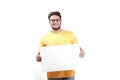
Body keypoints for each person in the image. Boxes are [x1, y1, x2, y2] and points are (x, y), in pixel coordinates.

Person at [36, 11, 85, 80]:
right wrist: (38, 58)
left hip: (69, 74)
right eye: (53, 20)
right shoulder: (44, 37)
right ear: (49, 22)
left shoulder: (71, 34)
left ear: (61, 21)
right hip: (52, 76)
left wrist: (82, 53)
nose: (55, 22)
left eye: (57, 20)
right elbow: (38, 56)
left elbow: (79, 51)